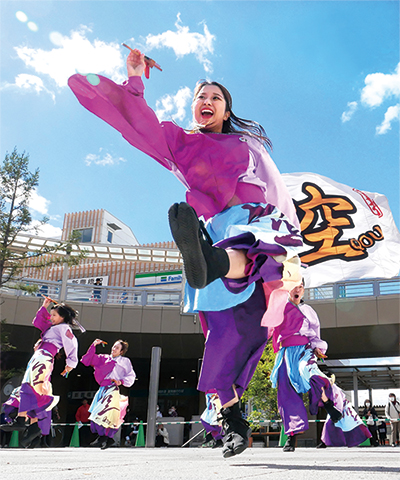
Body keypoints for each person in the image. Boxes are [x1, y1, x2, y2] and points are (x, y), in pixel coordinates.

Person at [68, 48, 304, 458]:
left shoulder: (246, 144)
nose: (206, 101)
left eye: (215, 96)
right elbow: (140, 125)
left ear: (226, 109)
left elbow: (277, 190)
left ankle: (213, 261)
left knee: (251, 254)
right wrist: (136, 80)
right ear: (193, 107)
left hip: (252, 221)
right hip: (214, 234)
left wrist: (291, 250)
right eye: (200, 97)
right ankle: (233, 424)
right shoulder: (183, 143)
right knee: (220, 347)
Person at [270, 281, 371, 451]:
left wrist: (318, 348)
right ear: (287, 288)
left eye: (300, 287)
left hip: (304, 350)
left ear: (303, 291)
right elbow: (269, 328)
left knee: (311, 374)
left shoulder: (308, 311)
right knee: (286, 392)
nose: (297, 289)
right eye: (294, 286)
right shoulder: (278, 307)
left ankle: (331, 407)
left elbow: (315, 334)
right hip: (286, 354)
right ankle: (291, 438)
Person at [1, 298, 80, 448]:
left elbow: (72, 345)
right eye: (51, 315)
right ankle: (33, 426)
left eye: (54, 315)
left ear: (63, 317)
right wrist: (44, 306)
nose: (51, 317)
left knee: (29, 387)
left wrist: (70, 364)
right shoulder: (53, 327)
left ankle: (22, 420)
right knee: (35, 389)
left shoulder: (64, 328)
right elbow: (38, 322)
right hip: (39, 358)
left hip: (43, 358)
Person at [81, 339, 136, 449]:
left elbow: (131, 376)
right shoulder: (104, 358)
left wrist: (121, 381)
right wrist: (93, 345)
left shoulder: (124, 361)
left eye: (117, 348)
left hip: (112, 389)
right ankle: (107, 438)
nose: (113, 348)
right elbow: (88, 360)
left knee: (102, 414)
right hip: (102, 389)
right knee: (95, 414)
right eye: (113, 346)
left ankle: (104, 437)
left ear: (121, 352)